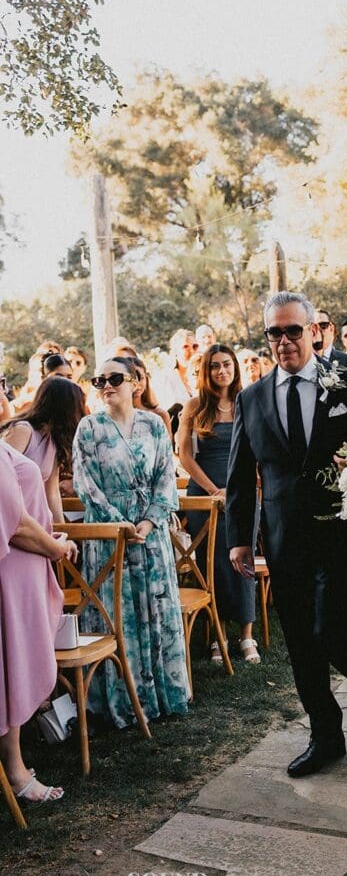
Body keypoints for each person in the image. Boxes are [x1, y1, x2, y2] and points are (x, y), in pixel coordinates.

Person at [227, 292, 347, 777]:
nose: (284, 341)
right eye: (274, 332)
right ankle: (326, 736)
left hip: (341, 530)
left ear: (313, 332)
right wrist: (238, 537)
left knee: (335, 625)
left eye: (293, 330)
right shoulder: (250, 398)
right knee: (299, 636)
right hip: (283, 538)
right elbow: (239, 475)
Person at [72, 356, 190, 729]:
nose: (107, 385)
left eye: (115, 378)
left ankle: (163, 695)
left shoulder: (155, 425)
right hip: (110, 538)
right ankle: (122, 701)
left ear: (136, 382)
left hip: (150, 534)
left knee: (155, 612)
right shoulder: (89, 428)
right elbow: (85, 484)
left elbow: (165, 480)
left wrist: (149, 520)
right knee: (118, 614)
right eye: (99, 379)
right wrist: (120, 524)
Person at [0, 441, 77, 803]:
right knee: (9, 667)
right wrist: (55, 547)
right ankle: (15, 771)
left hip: (24, 570)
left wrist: (50, 539)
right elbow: (14, 523)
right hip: (11, 573)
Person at [178, 344, 259, 664]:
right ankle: (217, 636)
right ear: (206, 371)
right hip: (204, 496)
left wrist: (240, 489)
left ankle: (247, 636)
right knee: (212, 565)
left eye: (226, 365)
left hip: (242, 494)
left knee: (245, 562)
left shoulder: (247, 403)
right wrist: (214, 491)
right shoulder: (195, 406)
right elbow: (184, 454)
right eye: (214, 366)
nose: (221, 371)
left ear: (235, 368)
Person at [0, 376, 86, 525]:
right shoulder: (23, 430)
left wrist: (64, 531)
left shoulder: (52, 439)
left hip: (37, 522)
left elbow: (52, 492)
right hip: (13, 521)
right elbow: (4, 475)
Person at [153, 329, 197, 413]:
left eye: (194, 346)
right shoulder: (163, 378)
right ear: (175, 351)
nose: (191, 350)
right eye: (185, 346)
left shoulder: (204, 376)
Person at [130, 356, 173, 441]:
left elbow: (167, 452)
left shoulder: (160, 415)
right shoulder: (114, 417)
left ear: (146, 379)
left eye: (141, 378)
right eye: (132, 379)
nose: (137, 384)